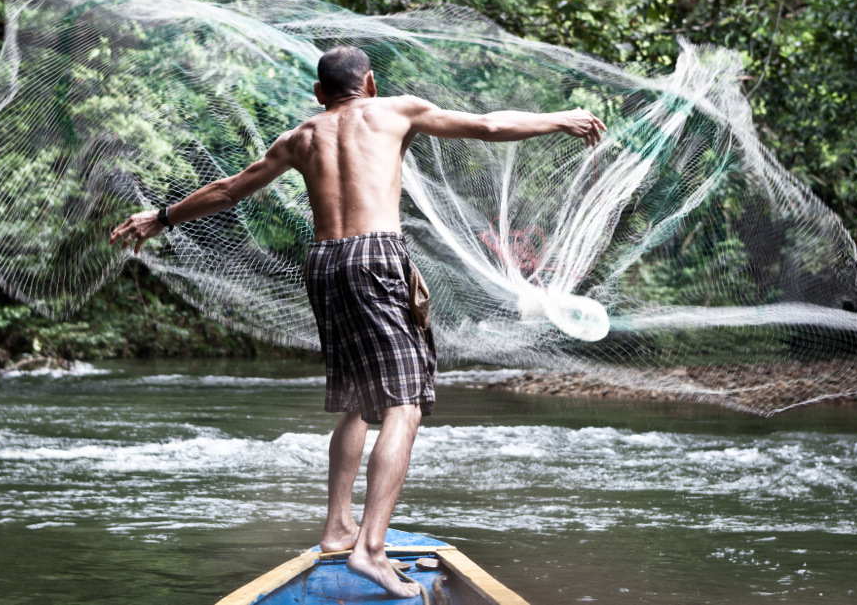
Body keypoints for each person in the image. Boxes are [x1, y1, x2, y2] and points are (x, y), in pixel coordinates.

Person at [109, 46, 605, 597]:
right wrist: (560, 119)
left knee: (357, 400)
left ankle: (338, 527)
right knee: (405, 405)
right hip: (375, 259)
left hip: (323, 264)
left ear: (319, 94)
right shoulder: (394, 110)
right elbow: (488, 125)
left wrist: (161, 216)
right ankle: (370, 548)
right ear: (368, 84)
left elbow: (229, 190)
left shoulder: (301, 136)